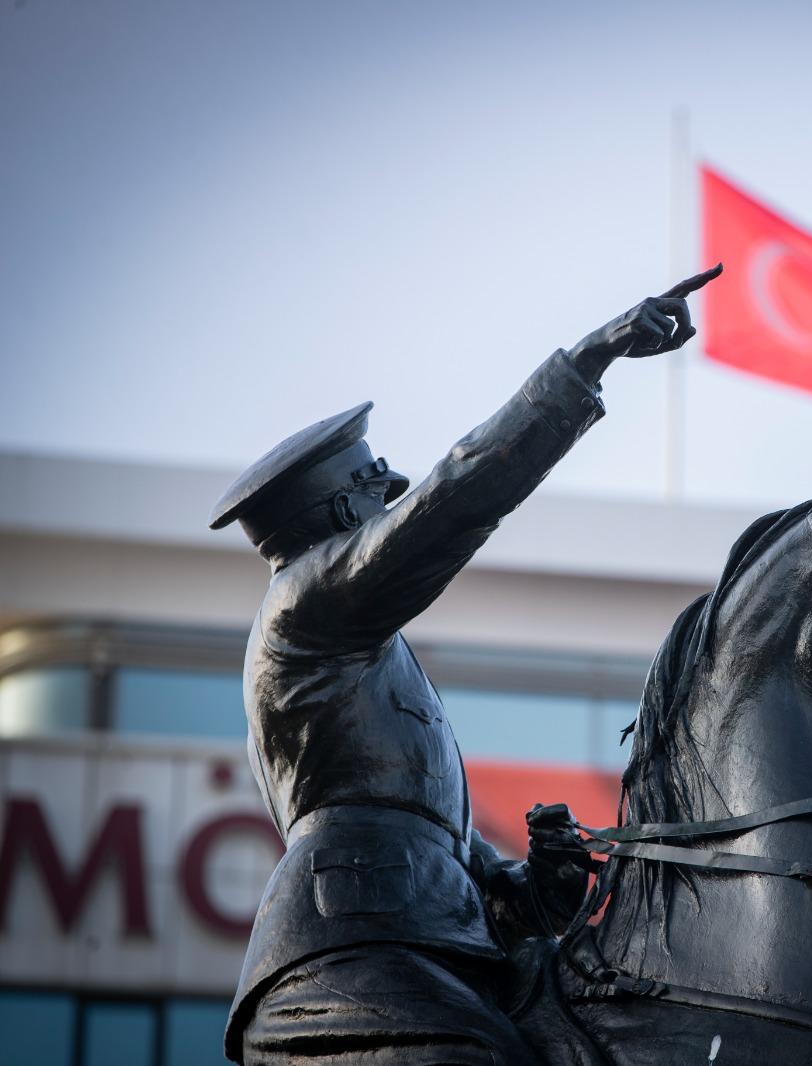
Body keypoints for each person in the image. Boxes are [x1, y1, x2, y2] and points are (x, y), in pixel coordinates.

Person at [207, 266, 721, 1064]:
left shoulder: (362, 645)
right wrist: (587, 362)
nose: (395, 492)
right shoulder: (306, 605)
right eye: (375, 484)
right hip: (352, 948)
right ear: (344, 511)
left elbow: (435, 847)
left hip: (415, 934)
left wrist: (531, 886)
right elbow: (457, 498)